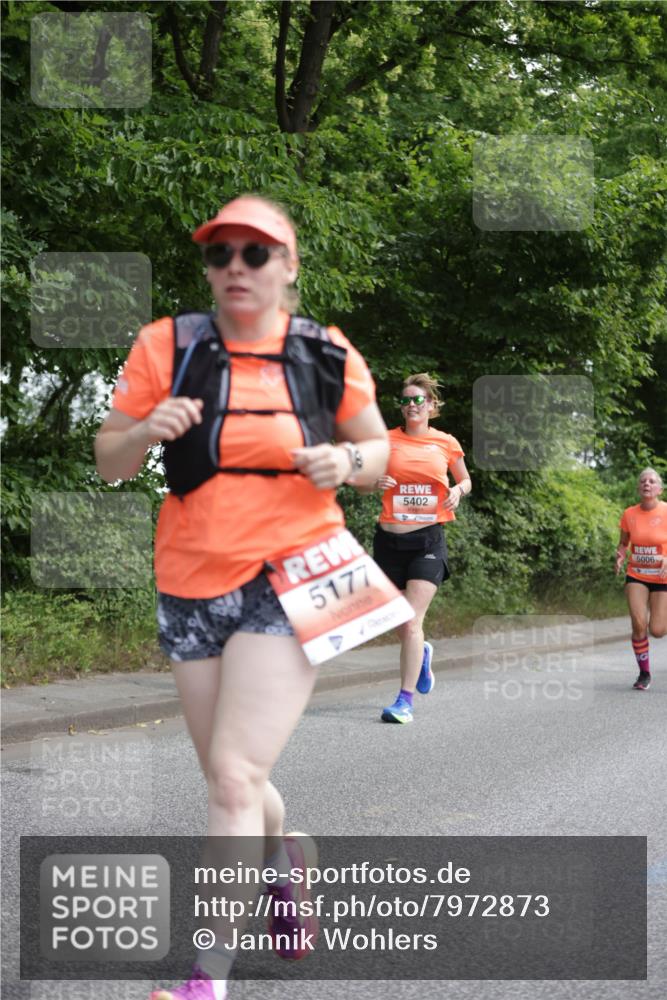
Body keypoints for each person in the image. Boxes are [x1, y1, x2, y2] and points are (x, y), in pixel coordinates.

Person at [94, 194, 389, 1000]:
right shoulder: (168, 344)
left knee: (230, 775)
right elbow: (109, 460)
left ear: (287, 268)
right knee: (236, 780)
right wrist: (146, 429)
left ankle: (204, 980)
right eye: (221, 253)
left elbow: (379, 451)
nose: (235, 266)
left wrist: (346, 465)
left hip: (298, 571)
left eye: (255, 254)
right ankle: (285, 856)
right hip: (191, 578)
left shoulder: (325, 353)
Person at [366, 373, 471, 723]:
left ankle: (404, 702)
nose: (412, 405)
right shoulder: (385, 440)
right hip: (388, 541)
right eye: (407, 400)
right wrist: (373, 481)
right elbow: (362, 482)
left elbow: (465, 479)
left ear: (431, 406)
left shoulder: (445, 442)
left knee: (411, 622)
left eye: (418, 400)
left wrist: (458, 491)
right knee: (402, 622)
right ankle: (422, 654)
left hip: (428, 539)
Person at [615, 467, 667, 690]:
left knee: (657, 630)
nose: (647, 484)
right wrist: (620, 556)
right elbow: (624, 543)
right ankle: (644, 674)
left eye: (652, 481)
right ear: (638, 487)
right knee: (638, 624)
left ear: (660, 489)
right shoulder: (629, 514)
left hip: (662, 577)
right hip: (636, 574)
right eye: (643, 481)